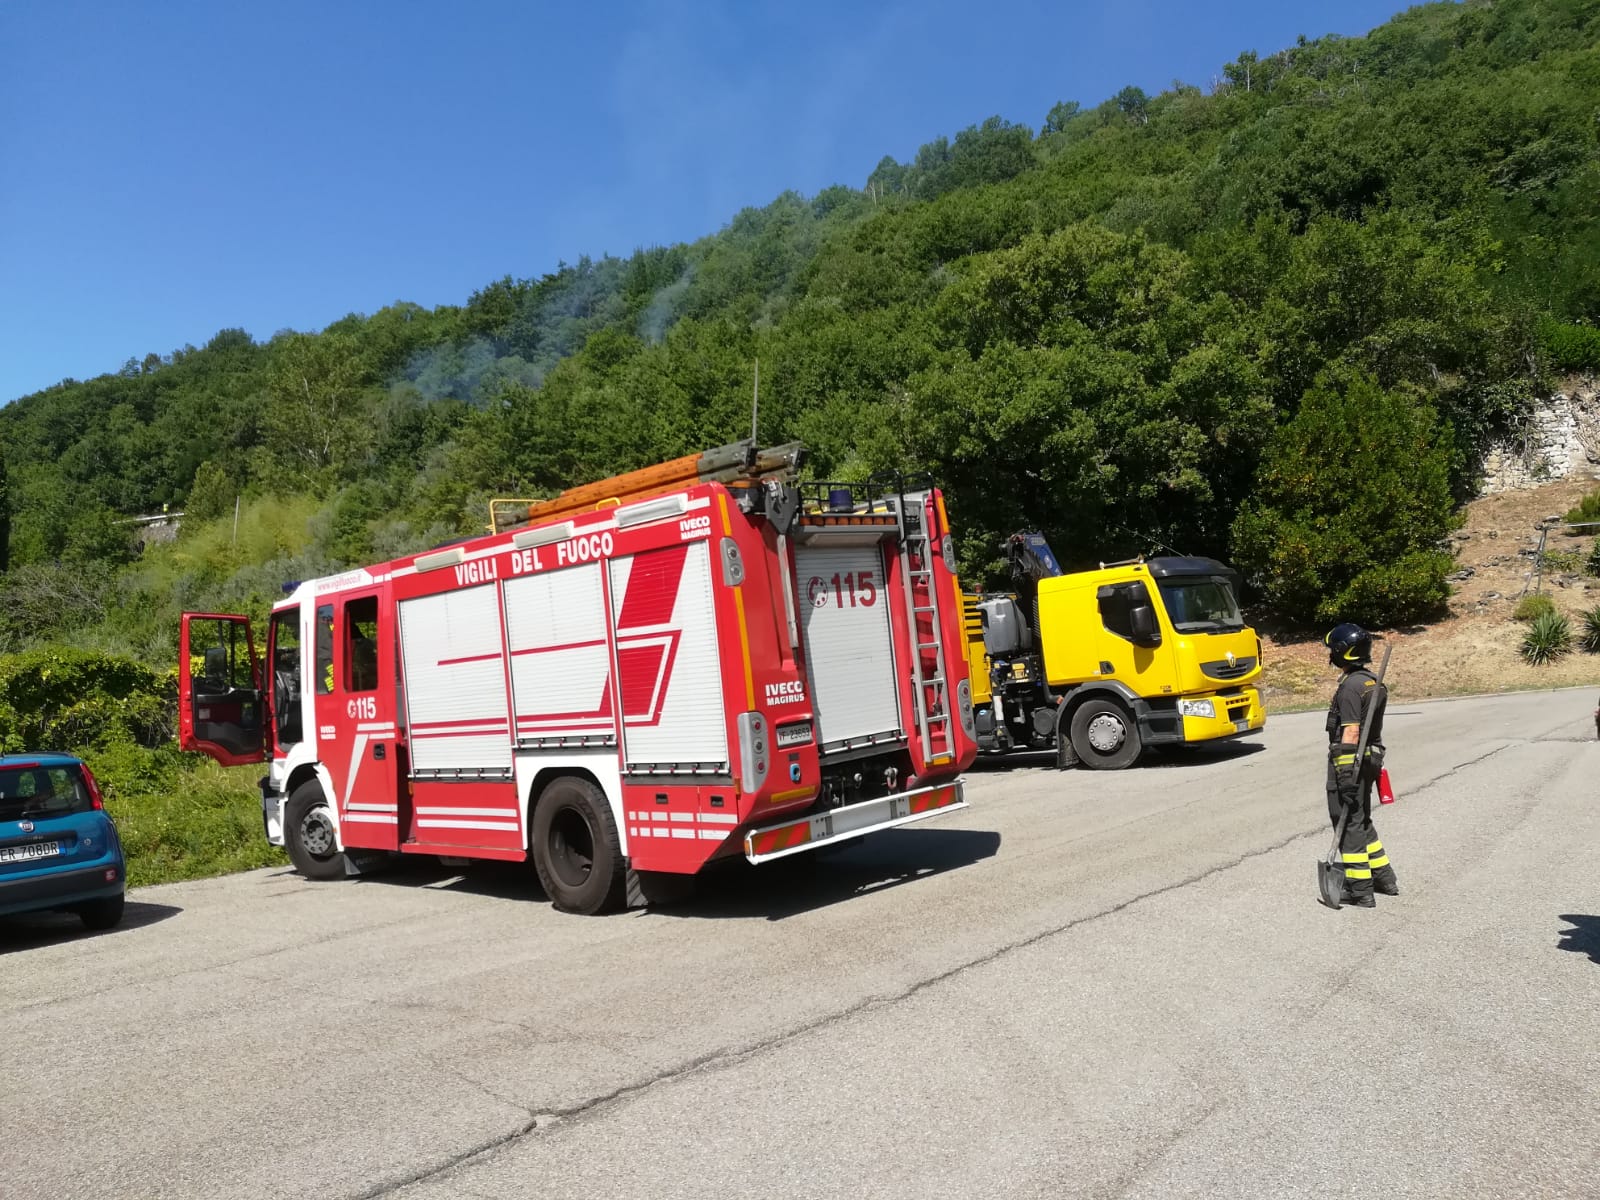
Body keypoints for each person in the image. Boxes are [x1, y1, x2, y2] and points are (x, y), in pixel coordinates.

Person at [1324, 623, 1399, 908]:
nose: (1331, 654)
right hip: (1370, 759)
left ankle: (1359, 889)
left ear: (1343, 653)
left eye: (1333, 650)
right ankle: (1384, 877)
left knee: (1348, 821)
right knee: (1362, 818)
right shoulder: (1372, 682)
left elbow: (1351, 732)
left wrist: (1345, 776)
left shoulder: (1352, 687)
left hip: (1350, 760)